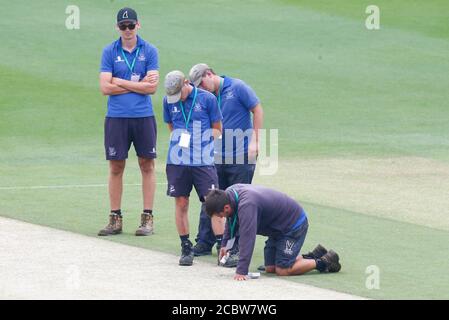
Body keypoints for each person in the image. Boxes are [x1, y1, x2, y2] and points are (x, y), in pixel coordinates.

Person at [188, 64, 264, 267]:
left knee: (236, 203)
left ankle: (235, 247)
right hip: (216, 156)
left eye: (202, 84)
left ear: (209, 74)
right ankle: (204, 242)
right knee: (210, 200)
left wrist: (256, 141)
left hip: (241, 156)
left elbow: (257, 109)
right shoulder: (206, 96)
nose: (201, 89)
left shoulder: (237, 87)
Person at [98, 8, 159, 237]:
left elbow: (152, 88)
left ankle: (147, 218)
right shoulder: (109, 51)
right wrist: (138, 84)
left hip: (143, 116)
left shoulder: (150, 50)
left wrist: (119, 82)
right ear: (117, 28)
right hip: (116, 117)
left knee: (147, 165)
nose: (127, 30)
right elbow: (105, 88)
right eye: (123, 26)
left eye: (130, 25)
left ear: (138, 25)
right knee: (116, 166)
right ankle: (115, 218)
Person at [204, 184, 341, 280]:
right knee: (271, 268)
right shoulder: (229, 194)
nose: (221, 218)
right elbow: (231, 221)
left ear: (226, 207)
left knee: (283, 270)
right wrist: (225, 245)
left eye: (220, 214)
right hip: (277, 229)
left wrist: (241, 271)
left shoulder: (247, 205)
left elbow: (248, 238)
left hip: (293, 226)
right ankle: (312, 256)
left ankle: (325, 262)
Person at [163, 70, 225, 266]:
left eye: (179, 94)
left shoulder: (207, 99)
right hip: (177, 161)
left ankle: (222, 248)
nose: (176, 99)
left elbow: (217, 128)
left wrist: (201, 142)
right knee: (181, 203)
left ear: (187, 83)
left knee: (213, 205)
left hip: (203, 162)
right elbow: (171, 125)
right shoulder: (168, 101)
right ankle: (186, 247)